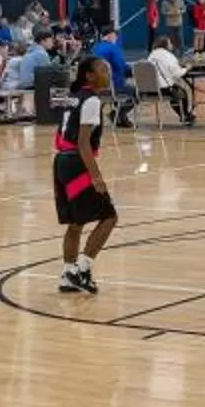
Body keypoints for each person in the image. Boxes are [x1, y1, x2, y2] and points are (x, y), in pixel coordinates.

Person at [52, 55, 120, 296]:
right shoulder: (91, 100)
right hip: (77, 164)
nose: (108, 73)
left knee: (76, 223)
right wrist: (97, 177)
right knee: (109, 216)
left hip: (61, 162)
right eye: (103, 69)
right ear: (89, 75)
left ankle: (67, 274)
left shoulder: (72, 97)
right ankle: (81, 268)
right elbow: (83, 143)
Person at [145, 35, 196, 125]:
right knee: (181, 92)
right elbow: (177, 74)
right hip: (163, 89)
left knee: (176, 92)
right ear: (165, 45)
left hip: (149, 89)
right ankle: (185, 116)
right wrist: (186, 69)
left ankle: (185, 115)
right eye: (170, 43)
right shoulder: (168, 55)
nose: (171, 45)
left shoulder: (151, 55)